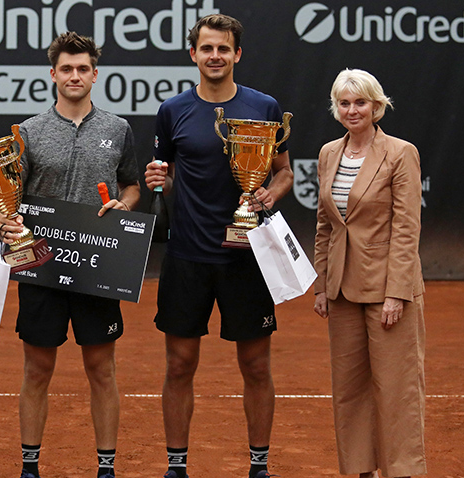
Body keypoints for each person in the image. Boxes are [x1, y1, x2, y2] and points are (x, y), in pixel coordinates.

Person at [144, 14, 293, 478]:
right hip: (187, 256)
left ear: (237, 54)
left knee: (255, 364)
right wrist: (157, 180)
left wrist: (270, 193)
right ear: (193, 54)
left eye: (223, 48)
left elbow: (284, 171)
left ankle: (259, 466)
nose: (215, 56)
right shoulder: (172, 111)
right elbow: (166, 177)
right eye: (206, 48)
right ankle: (176, 467)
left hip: (248, 257)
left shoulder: (264, 106)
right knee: (179, 364)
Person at [0, 31, 140, 478]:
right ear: (53, 74)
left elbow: (132, 186)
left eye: (82, 69)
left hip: (98, 267)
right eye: (66, 69)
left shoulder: (117, 129)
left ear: (95, 75)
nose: (74, 76)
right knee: (38, 368)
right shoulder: (29, 132)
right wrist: (9, 222)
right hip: (41, 266)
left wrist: (124, 206)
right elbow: (9, 197)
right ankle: (30, 468)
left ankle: (106, 469)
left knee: (101, 368)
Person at [313, 69, 426, 478]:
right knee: (350, 389)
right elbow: (325, 225)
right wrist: (322, 285)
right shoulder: (328, 154)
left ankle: (402, 471)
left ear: (377, 106)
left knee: (397, 388)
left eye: (360, 102)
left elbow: (407, 228)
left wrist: (397, 292)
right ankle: (362, 470)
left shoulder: (400, 153)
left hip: (387, 290)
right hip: (341, 289)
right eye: (344, 103)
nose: (352, 110)